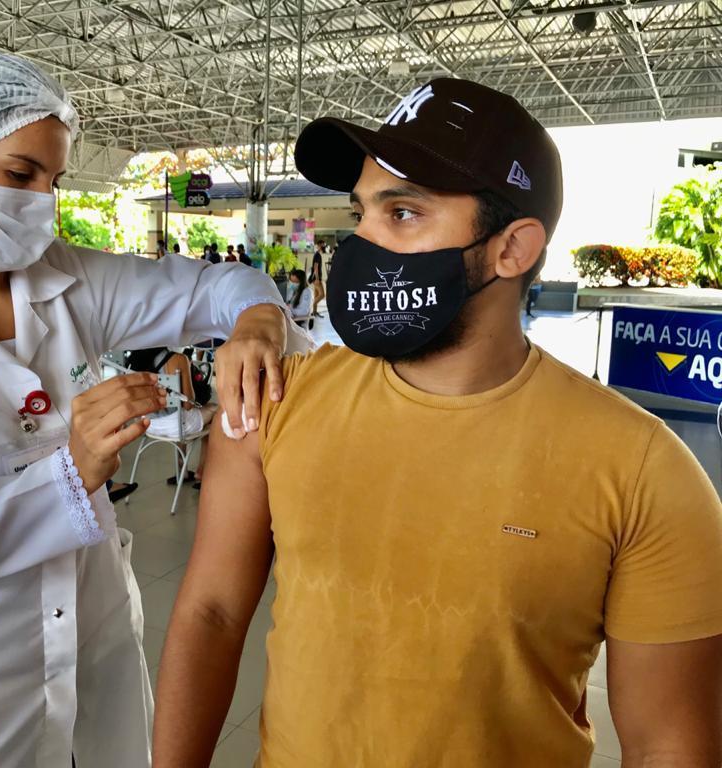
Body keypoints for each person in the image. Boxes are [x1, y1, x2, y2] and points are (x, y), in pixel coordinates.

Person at [153, 78, 722, 768]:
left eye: (403, 213)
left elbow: (668, 744)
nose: (361, 242)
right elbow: (212, 613)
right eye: (361, 212)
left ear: (512, 249)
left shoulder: (644, 471)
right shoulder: (276, 402)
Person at [0, 51, 305, 768]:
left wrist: (258, 320)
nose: (42, 201)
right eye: (20, 174)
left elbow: (212, 290)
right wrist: (70, 472)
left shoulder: (67, 280)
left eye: (54, 179)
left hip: (87, 633)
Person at [125, 347, 215, 488]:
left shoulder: (132, 361)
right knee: (216, 411)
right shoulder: (177, 358)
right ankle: (202, 471)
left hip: (147, 424)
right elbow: (188, 404)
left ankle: (182, 470)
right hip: (176, 425)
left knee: (180, 414)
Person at [308, 242, 325, 316]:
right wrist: (317, 279)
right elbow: (315, 267)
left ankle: (314, 312)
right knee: (322, 295)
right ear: (319, 245)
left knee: (316, 295)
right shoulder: (317, 255)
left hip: (315, 278)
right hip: (316, 279)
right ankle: (312, 305)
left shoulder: (317, 254)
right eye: (323, 245)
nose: (324, 246)